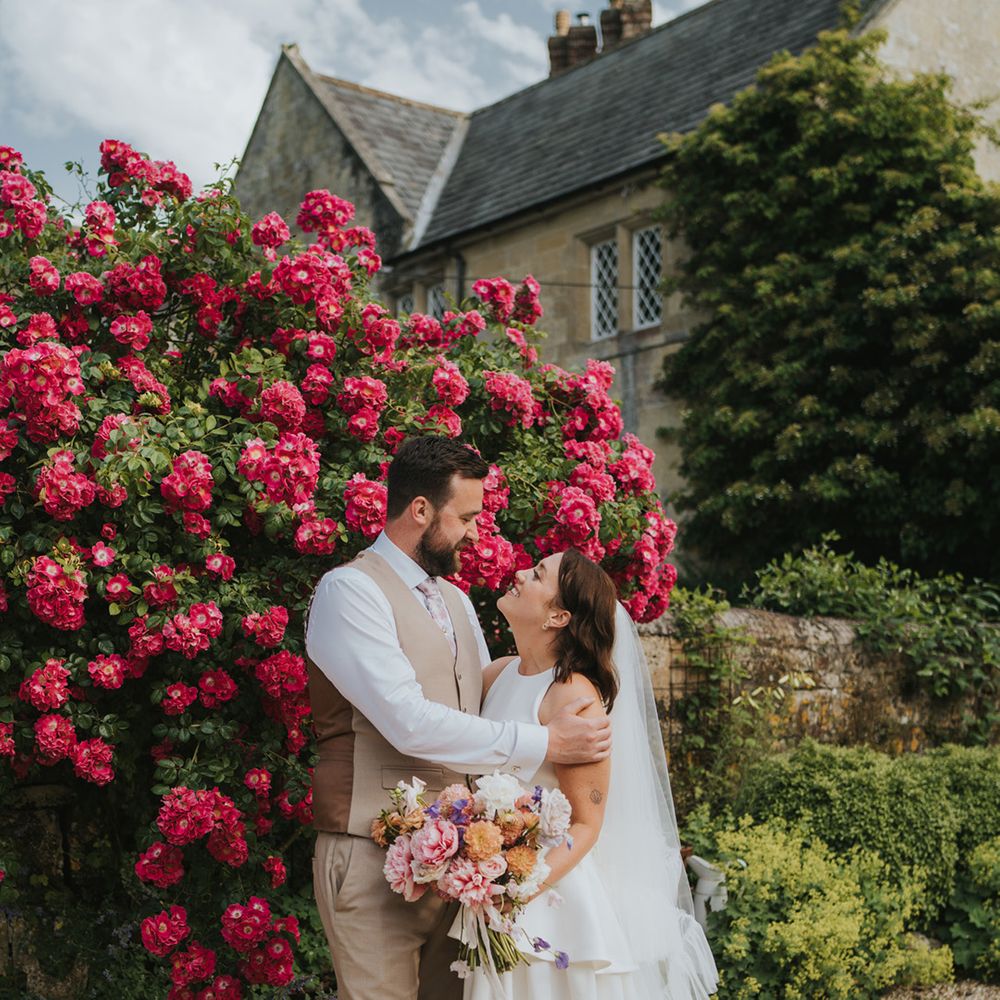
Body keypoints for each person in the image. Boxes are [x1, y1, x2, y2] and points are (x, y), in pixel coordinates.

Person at [304, 436, 612, 1000]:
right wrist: (544, 741)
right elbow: (409, 722)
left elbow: (481, 699)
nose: (475, 532)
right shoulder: (350, 592)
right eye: (466, 516)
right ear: (420, 510)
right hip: (371, 856)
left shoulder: (458, 602)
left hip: (465, 867)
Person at [456, 548, 719, 999]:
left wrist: (517, 889)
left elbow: (586, 823)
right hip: (488, 891)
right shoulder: (496, 675)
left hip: (547, 900)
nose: (520, 573)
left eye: (537, 574)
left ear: (558, 615)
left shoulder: (573, 695)